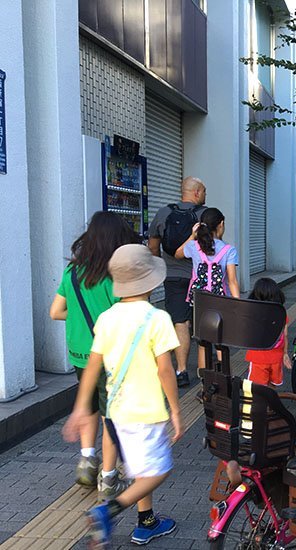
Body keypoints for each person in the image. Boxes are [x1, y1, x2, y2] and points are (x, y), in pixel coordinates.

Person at [63, 244, 183, 547]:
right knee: (159, 470)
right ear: (150, 281)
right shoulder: (158, 318)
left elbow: (92, 367)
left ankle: (147, 522)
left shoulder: (107, 317)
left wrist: (80, 408)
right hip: (146, 412)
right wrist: (177, 411)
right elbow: (165, 370)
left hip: (114, 413)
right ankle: (108, 511)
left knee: (141, 469)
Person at [49, 211, 139, 498]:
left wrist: (79, 318)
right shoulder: (116, 275)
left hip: (79, 354)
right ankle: (109, 478)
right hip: (111, 355)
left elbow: (56, 312)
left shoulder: (72, 272)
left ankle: (87, 461)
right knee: (110, 415)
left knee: (88, 407)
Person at [147, 176, 207, 388]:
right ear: (197, 193)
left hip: (173, 276)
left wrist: (160, 267)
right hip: (200, 277)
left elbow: (153, 245)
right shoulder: (205, 215)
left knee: (180, 321)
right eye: (204, 192)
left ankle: (181, 370)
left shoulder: (164, 213)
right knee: (202, 323)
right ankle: (205, 370)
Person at [174, 207, 239, 372]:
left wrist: (192, 235)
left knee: (202, 342)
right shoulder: (229, 250)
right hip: (220, 301)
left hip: (199, 301)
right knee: (220, 342)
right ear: (221, 225)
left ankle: (205, 383)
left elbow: (177, 254)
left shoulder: (194, 246)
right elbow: (232, 281)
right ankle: (225, 379)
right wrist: (237, 304)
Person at [244, 278, 292, 387]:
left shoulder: (252, 314)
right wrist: (285, 354)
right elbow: (285, 335)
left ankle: (261, 403)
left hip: (258, 358)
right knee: (272, 386)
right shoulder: (281, 313)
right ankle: (270, 403)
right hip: (276, 358)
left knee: (258, 388)